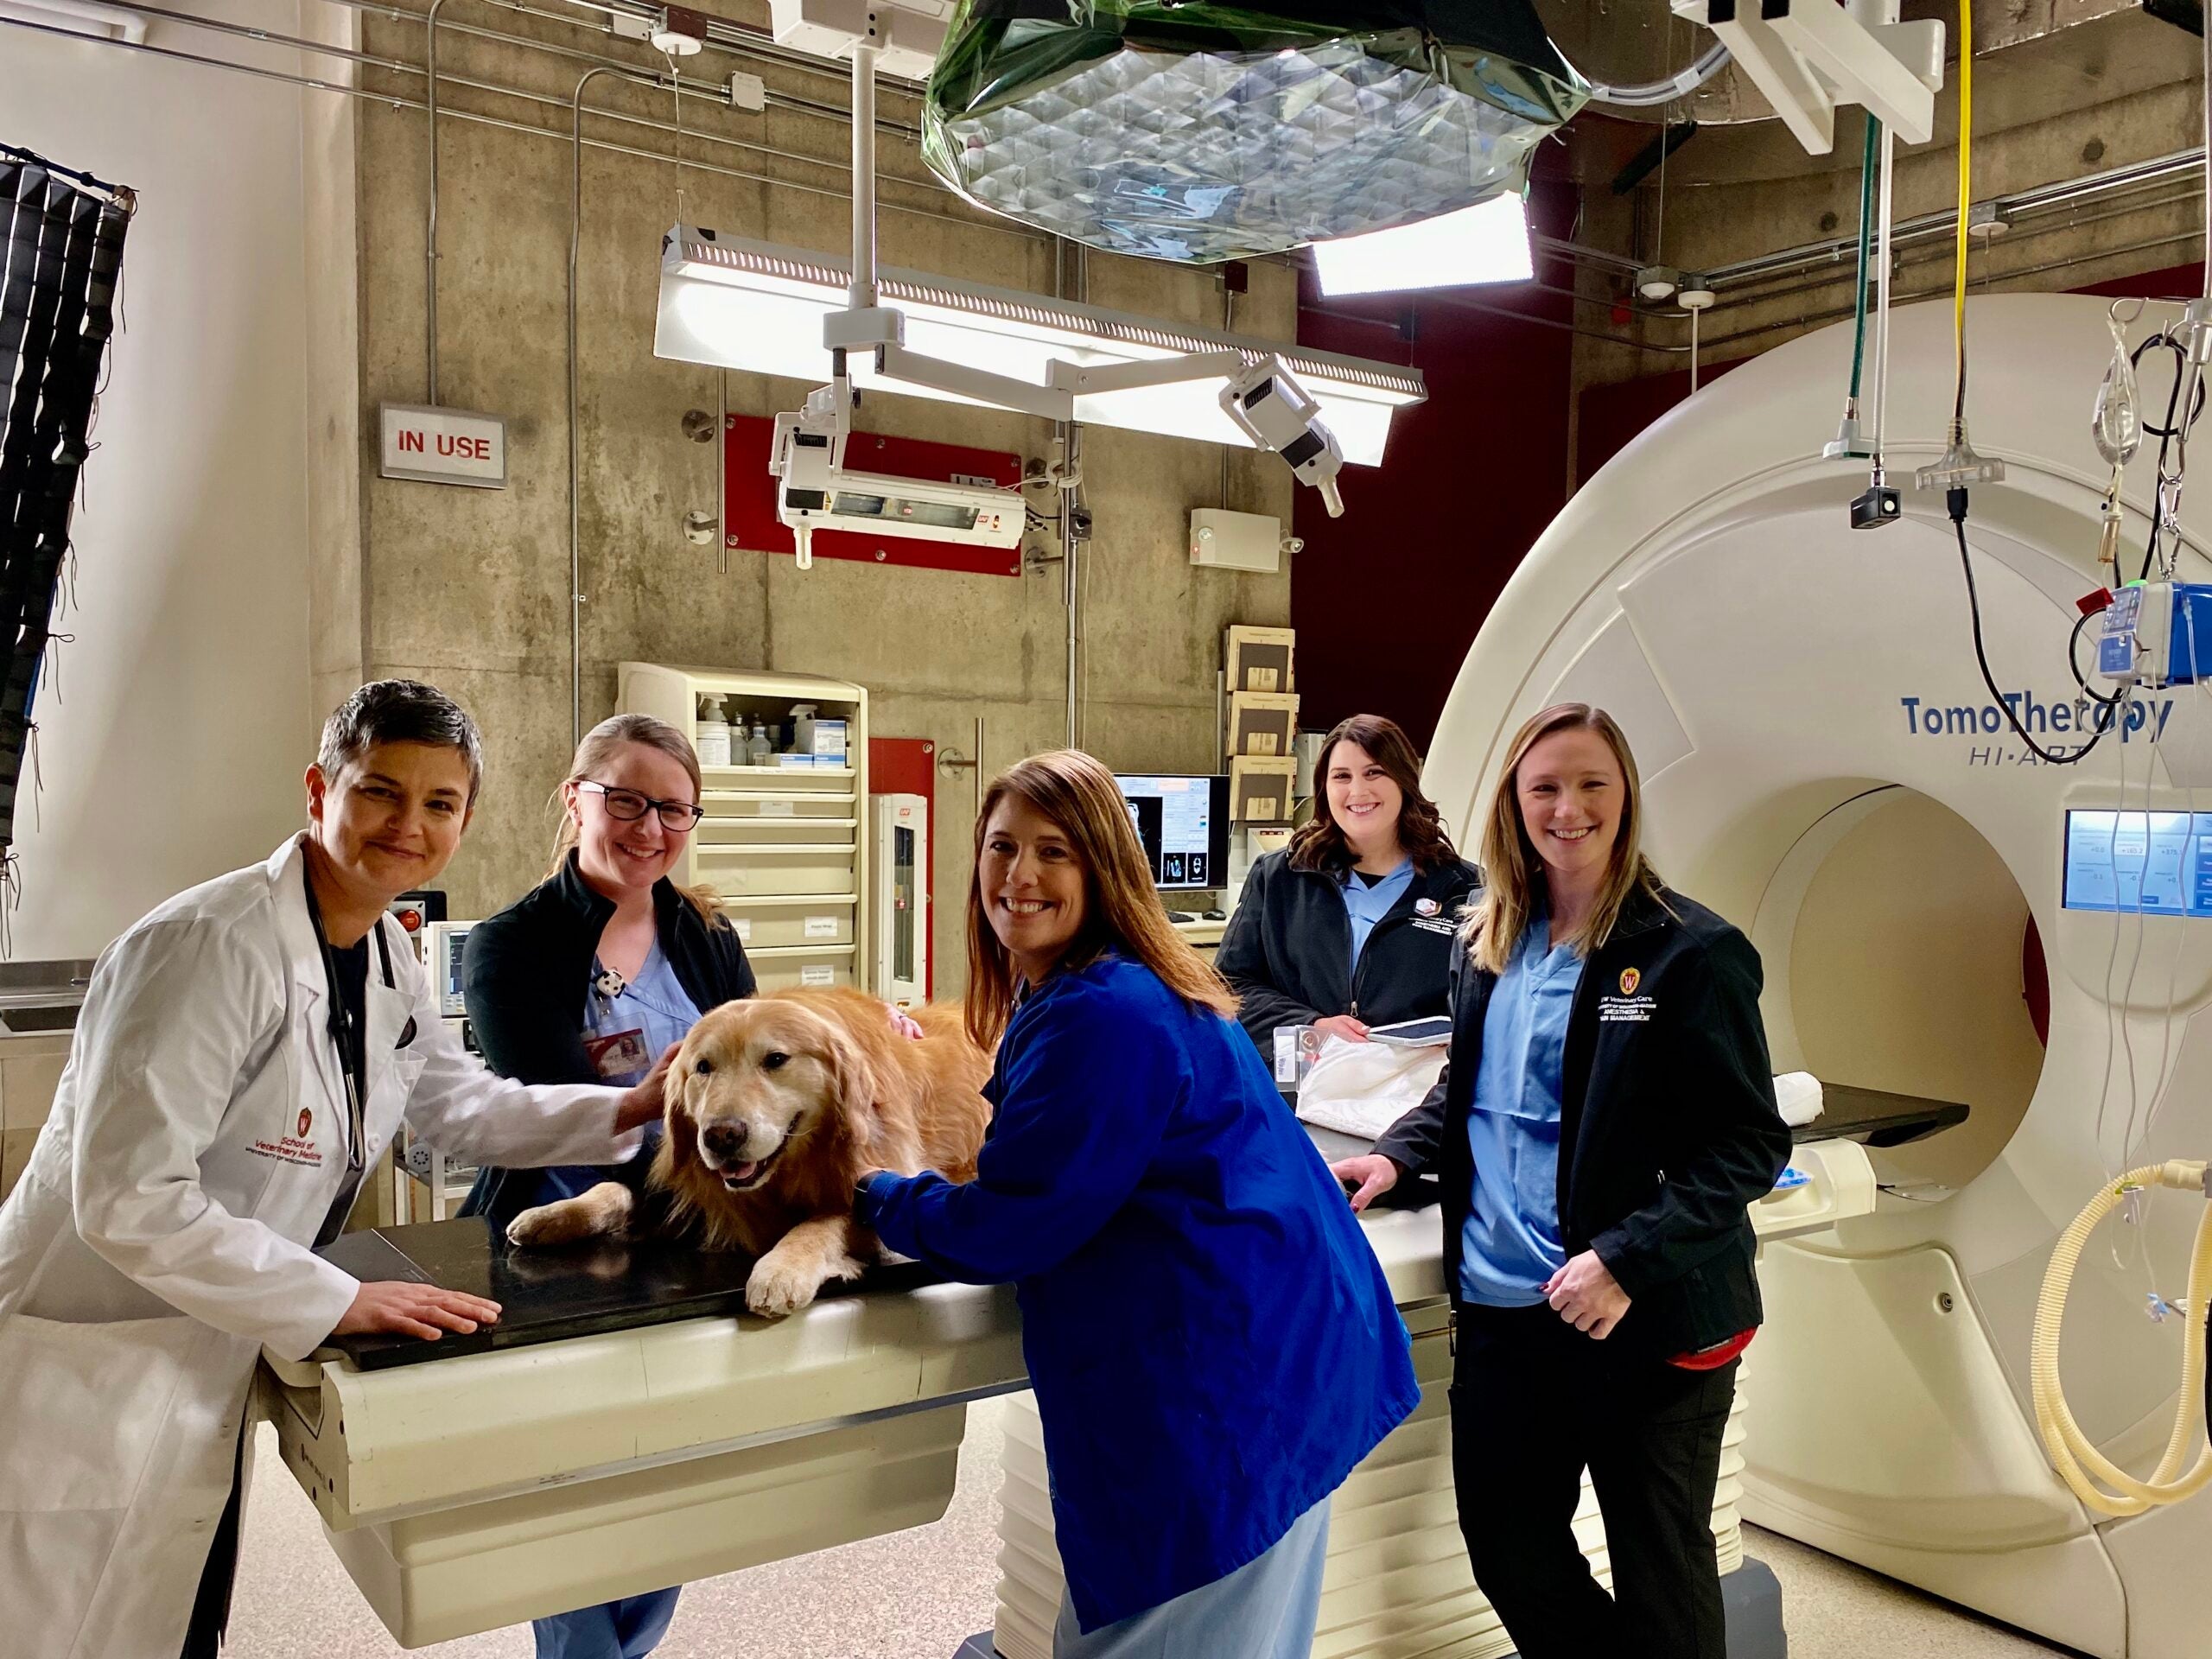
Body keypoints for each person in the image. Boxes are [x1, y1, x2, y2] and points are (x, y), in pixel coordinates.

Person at [0, 680, 672, 1659]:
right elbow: (128, 1198)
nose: (408, 825)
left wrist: (632, 1108)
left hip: (198, 1351)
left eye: (438, 804)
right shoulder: (208, 947)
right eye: (378, 792)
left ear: (465, 819)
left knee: (163, 1607)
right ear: (320, 790)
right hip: (86, 1360)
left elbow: (460, 1108)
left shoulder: (384, 957)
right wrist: (336, 1298)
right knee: (62, 1622)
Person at [854, 748, 1419, 1658]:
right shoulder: (1122, 980)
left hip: (1221, 1399)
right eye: (1001, 848)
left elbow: (1019, 1221)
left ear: (1105, 865)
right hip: (1277, 1362)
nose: (1020, 876)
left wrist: (879, 1198)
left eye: (1054, 851)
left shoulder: (1104, 1011)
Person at [1330, 703, 1792, 1659]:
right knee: (1511, 1552)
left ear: (1624, 798)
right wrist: (1397, 1153)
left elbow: (1746, 1143)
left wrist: (1623, 1259)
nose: (1567, 807)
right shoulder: (1486, 938)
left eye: (1592, 784)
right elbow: (1471, 1083)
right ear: (1513, 801)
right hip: (1505, 1313)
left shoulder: (1689, 952)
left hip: (1641, 1317)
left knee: (1663, 1581)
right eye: (1544, 786)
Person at [458, 712, 754, 1659]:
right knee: (571, 1502)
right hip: (558, 1245)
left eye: (673, 808)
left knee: (660, 1497)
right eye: (625, 799)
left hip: (684, 1244)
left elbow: (756, 1060)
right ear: (574, 798)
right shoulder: (511, 949)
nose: (649, 827)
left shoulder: (704, 934)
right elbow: (558, 1114)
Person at [1216, 713, 1478, 1080]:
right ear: (1325, 788)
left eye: (1374, 772)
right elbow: (1229, 988)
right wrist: (1312, 1026)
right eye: (1342, 776)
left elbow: (1479, 1009)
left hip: (1409, 1098)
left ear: (1403, 780)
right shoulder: (1281, 877)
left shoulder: (1462, 889)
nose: (1358, 791)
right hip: (1298, 1089)